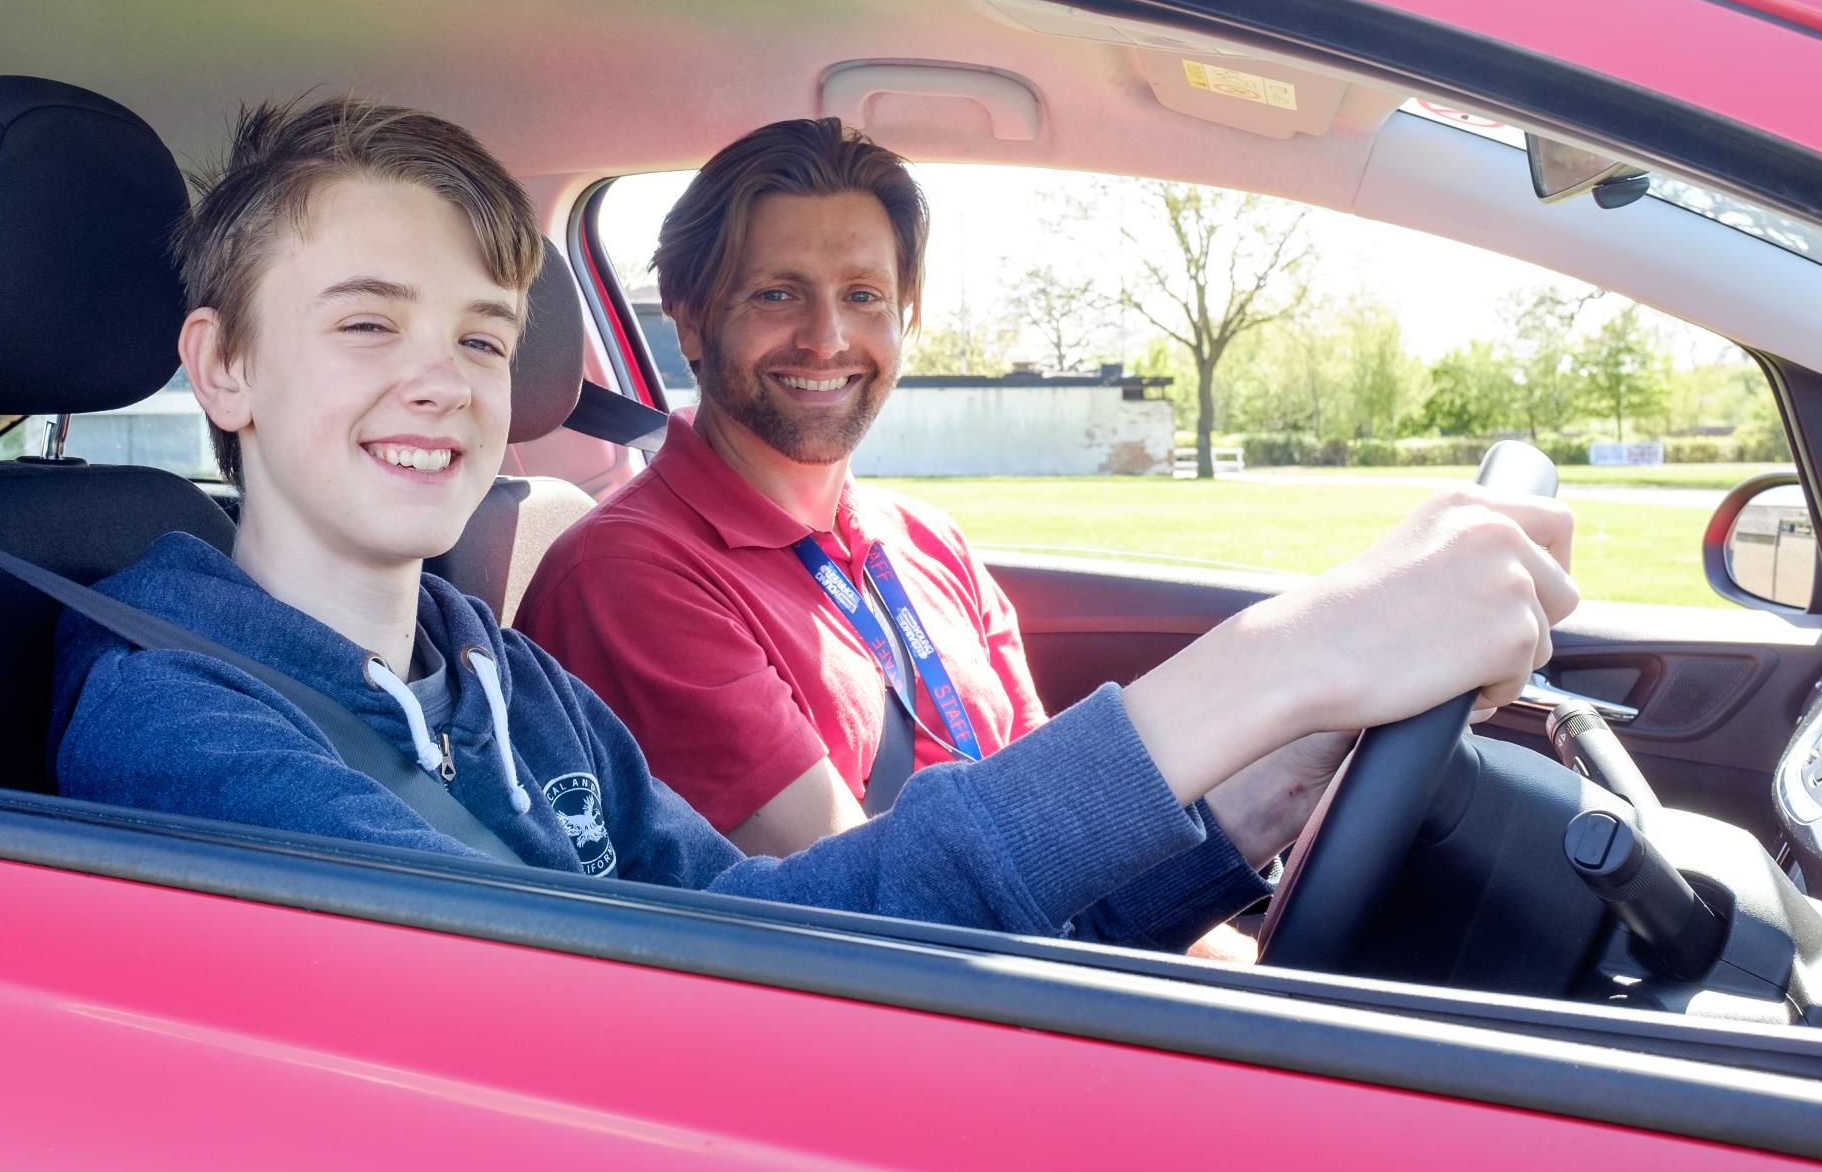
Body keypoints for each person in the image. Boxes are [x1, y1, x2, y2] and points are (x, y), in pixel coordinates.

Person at [52, 96, 1575, 954]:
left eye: (476, 337)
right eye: (366, 325)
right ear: (226, 368)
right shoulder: (182, 721)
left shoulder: (501, 678)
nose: (439, 386)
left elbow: (762, 922)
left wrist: (1249, 811)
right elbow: (696, 992)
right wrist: (1279, 664)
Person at [518, 118, 1543, 903]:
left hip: (1030, 977)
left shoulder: (924, 543)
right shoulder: (632, 576)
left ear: (907, 317)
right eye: (777, 295)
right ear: (692, 319)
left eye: (865, 297)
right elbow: (870, 911)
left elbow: (1055, 841)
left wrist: (1315, 743)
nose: (827, 338)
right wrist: (1300, 659)